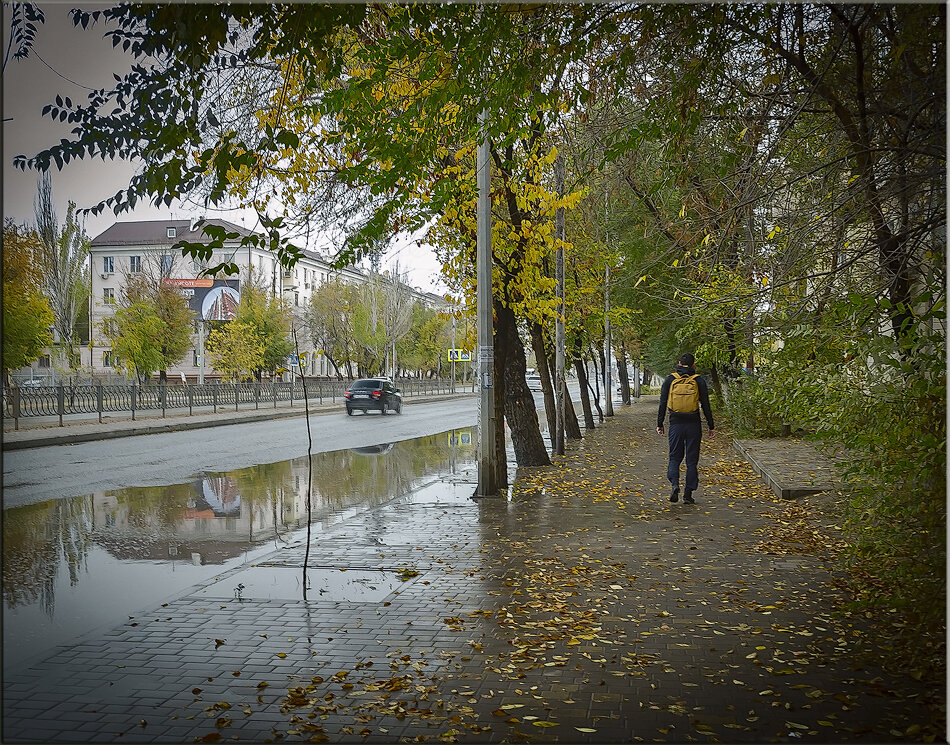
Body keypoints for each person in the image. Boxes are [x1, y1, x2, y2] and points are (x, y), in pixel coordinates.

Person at [656, 353, 715, 504]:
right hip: (693, 424)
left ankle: (675, 484)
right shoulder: (698, 380)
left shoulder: (670, 379)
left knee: (674, 457)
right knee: (691, 461)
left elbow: (662, 403)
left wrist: (660, 423)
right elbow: (706, 405)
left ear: (679, 363)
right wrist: (711, 425)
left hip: (675, 424)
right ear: (693, 365)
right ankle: (688, 494)